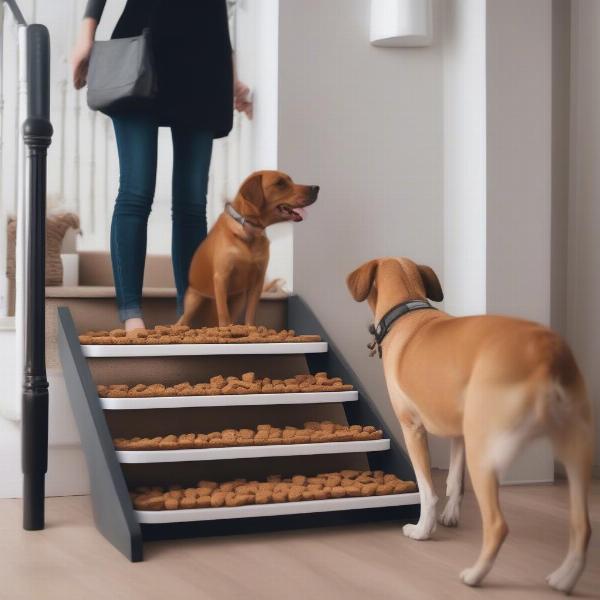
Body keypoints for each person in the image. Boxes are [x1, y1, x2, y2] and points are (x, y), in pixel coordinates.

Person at [71, 0, 252, 331]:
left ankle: (191, 314)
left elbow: (217, 11)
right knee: (136, 191)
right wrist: (86, 37)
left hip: (205, 63)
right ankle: (131, 314)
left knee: (192, 203)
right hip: (142, 49)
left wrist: (232, 76)